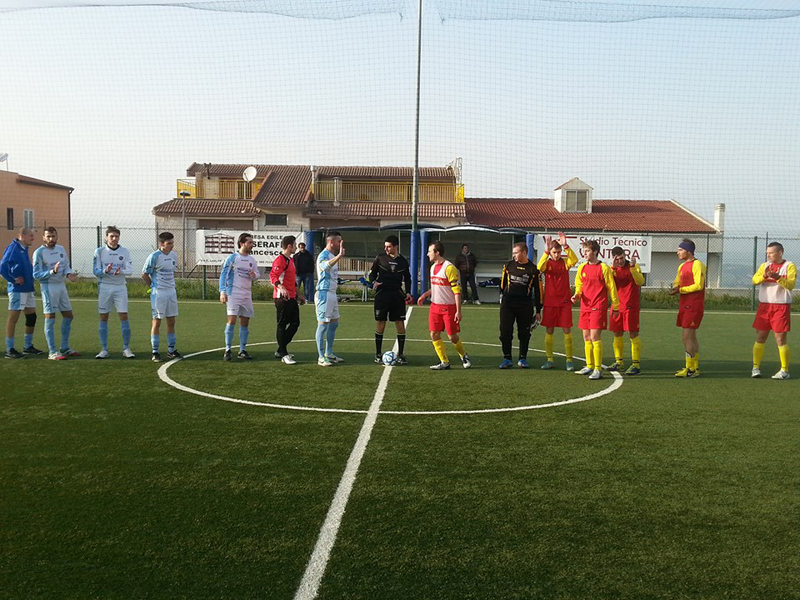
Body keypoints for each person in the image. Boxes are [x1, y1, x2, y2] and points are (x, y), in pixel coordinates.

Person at [417, 241, 471, 370]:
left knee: (452, 336)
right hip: (435, 307)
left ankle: (464, 355)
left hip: (449, 308)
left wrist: (458, 311)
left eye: (430, 251)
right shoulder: (432, 268)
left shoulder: (449, 268)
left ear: (437, 253)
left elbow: (457, 291)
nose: (427, 254)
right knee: (434, 334)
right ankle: (444, 362)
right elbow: (436, 288)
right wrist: (424, 295)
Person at [571, 239, 619, 380]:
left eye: (587, 251)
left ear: (595, 252)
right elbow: (579, 285)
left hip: (598, 306)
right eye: (584, 251)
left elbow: (612, 287)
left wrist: (615, 306)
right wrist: (576, 295)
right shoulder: (582, 268)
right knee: (586, 337)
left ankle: (598, 369)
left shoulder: (604, 268)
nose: (584, 253)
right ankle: (589, 365)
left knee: (594, 337)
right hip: (585, 306)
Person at [32, 227, 80, 360]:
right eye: (48, 236)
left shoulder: (61, 249)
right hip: (48, 287)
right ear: (43, 238)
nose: (51, 239)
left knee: (69, 316)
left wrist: (69, 274)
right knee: (50, 318)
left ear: (57, 237)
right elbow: (36, 274)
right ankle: (52, 352)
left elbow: (66, 266)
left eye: (53, 236)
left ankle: (64, 348)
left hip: (61, 286)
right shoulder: (39, 253)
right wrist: (52, 272)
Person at [751, 241, 795, 380]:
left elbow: (791, 285)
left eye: (771, 253)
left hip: (781, 306)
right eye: (767, 253)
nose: (768, 255)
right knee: (760, 337)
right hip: (764, 306)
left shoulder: (789, 266)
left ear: (780, 252)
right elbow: (754, 280)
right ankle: (755, 367)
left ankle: (784, 371)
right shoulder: (764, 266)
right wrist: (764, 276)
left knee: (780, 339)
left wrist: (778, 278)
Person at [537, 231, 579, 371]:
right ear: (551, 252)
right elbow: (539, 268)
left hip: (565, 302)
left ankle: (569, 360)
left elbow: (574, 260)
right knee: (549, 331)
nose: (557, 255)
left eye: (559, 252)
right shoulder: (547, 263)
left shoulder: (565, 262)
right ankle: (549, 360)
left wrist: (566, 245)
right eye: (554, 252)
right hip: (550, 302)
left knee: (567, 330)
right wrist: (545, 251)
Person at [369, 235, 412, 365]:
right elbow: (372, 274)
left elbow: (408, 278)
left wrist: (408, 292)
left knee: (400, 323)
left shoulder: (403, 262)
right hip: (382, 295)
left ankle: (401, 354)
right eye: (385, 246)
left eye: (388, 246)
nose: (386, 248)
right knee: (381, 322)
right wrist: (373, 282)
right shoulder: (380, 258)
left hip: (397, 295)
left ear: (395, 246)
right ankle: (378, 354)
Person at [93, 225, 134, 359]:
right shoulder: (99, 252)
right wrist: (105, 271)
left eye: (116, 236)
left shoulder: (125, 251)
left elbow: (130, 270)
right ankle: (104, 349)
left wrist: (120, 271)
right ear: (106, 238)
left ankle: (126, 348)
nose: (114, 239)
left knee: (123, 316)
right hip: (105, 287)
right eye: (112, 236)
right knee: (104, 317)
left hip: (120, 287)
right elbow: (95, 271)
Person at [498, 242, 541, 369]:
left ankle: (523, 358)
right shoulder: (508, 266)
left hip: (525, 306)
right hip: (508, 305)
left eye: (516, 253)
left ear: (524, 253)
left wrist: (538, 310)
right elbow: (502, 285)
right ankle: (507, 358)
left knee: (524, 333)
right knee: (505, 331)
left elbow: (538, 292)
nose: (514, 255)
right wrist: (502, 298)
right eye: (513, 253)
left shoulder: (533, 270)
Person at [1, 227, 43, 358]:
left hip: (27, 289)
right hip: (18, 290)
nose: (33, 238)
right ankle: (9, 349)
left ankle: (27, 346)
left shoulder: (24, 249)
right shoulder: (13, 248)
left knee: (32, 317)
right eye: (31, 235)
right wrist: (13, 280)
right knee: (13, 318)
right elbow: (3, 267)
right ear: (22, 236)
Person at [219, 232, 260, 361]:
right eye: (249, 242)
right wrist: (222, 291)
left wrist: (254, 275)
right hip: (233, 293)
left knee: (245, 321)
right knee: (231, 321)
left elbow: (257, 274)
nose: (252, 245)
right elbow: (223, 274)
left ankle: (242, 350)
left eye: (252, 243)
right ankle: (228, 349)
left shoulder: (252, 260)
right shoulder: (233, 258)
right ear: (242, 243)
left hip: (247, 294)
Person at [142, 231, 181, 363]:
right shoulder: (154, 256)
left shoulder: (174, 256)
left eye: (172, 242)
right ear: (161, 244)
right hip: (159, 293)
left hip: (171, 291)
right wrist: (152, 286)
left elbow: (172, 272)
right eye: (169, 243)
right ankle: (155, 351)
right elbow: (144, 274)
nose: (172, 245)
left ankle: (171, 350)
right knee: (157, 321)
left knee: (171, 321)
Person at [670, 239, 706, 378]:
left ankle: (690, 368)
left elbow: (699, 285)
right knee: (691, 337)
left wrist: (681, 290)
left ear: (688, 251)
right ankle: (694, 367)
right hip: (684, 305)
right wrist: (675, 287)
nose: (677, 252)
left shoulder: (698, 265)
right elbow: (677, 281)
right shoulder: (682, 266)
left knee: (687, 337)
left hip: (694, 305)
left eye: (680, 249)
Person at [609, 246, 644, 375]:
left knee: (633, 334)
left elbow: (640, 282)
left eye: (622, 258)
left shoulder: (634, 266)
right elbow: (609, 284)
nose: (620, 261)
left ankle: (636, 364)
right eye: (617, 259)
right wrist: (612, 268)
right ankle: (619, 362)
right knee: (617, 334)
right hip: (617, 306)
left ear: (625, 255)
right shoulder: (612, 268)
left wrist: (633, 268)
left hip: (631, 306)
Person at [271, 235, 305, 365]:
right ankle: (284, 353)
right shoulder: (280, 260)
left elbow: (292, 281)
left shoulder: (290, 260)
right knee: (282, 324)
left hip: (291, 297)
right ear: (289, 246)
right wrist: (281, 287)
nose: (296, 247)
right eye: (295, 245)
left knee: (295, 323)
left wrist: (299, 295)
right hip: (282, 298)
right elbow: (273, 276)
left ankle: (281, 349)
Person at [315, 231, 345, 366]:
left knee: (334, 323)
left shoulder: (332, 255)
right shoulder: (324, 255)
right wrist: (339, 256)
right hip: (324, 293)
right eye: (338, 241)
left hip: (332, 293)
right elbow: (324, 266)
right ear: (331, 242)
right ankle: (321, 357)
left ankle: (329, 353)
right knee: (323, 324)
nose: (340, 244)